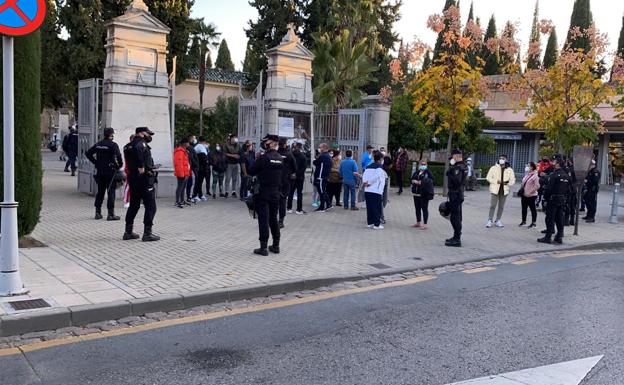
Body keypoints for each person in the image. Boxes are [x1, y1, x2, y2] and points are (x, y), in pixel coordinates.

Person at [249, 134, 283, 256]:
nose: (265, 143)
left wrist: (257, 158)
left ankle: (263, 247)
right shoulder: (280, 157)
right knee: (273, 218)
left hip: (263, 192)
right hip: (275, 192)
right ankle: (276, 245)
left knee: (263, 219)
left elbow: (251, 171)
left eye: (266, 141)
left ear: (273, 142)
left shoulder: (263, 158)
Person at [123, 127, 159, 242]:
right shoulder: (140, 144)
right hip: (144, 179)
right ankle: (147, 233)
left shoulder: (128, 145)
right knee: (151, 206)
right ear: (141, 133)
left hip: (133, 178)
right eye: (148, 134)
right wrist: (142, 166)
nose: (150, 136)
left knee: (134, 204)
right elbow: (138, 151)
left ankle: (128, 232)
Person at [85, 127, 123, 221]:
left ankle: (97, 212)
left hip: (100, 171)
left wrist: (96, 162)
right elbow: (118, 157)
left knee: (100, 192)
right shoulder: (113, 145)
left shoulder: (98, 144)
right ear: (111, 135)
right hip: (110, 172)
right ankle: (110, 214)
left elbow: (88, 153)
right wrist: (119, 166)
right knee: (111, 192)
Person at [538, 155, 570, 244]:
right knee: (559, 218)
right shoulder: (566, 175)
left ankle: (548, 237)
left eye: (554, 162)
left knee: (550, 218)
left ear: (558, 164)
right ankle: (559, 236)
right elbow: (568, 189)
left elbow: (549, 188)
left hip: (553, 199)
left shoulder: (554, 175)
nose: (553, 163)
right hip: (562, 199)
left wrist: (545, 198)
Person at [485, 154, 516, 228]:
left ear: (506, 160)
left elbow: (513, 180)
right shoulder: (493, 168)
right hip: (495, 189)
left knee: (501, 206)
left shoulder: (509, 169)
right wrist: (496, 181)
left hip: (504, 190)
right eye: (500, 158)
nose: (501, 159)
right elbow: (488, 178)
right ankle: (490, 220)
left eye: (503, 158)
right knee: (492, 205)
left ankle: (498, 220)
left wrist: (507, 183)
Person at [445, 149, 466, 247]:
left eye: (453, 157)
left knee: (455, 217)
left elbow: (457, 182)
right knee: (454, 217)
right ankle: (455, 237)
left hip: (456, 195)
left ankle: (457, 239)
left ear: (457, 156)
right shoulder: (458, 166)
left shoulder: (459, 167)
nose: (451, 159)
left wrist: (449, 174)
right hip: (455, 194)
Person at [362, 151, 387, 230]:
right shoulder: (379, 167)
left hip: (367, 190)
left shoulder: (368, 166)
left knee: (369, 207)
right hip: (376, 190)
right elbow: (377, 176)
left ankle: (370, 223)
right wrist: (369, 183)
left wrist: (365, 183)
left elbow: (364, 176)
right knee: (376, 207)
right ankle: (377, 224)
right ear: (380, 159)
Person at [278, 138, 297, 228]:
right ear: (285, 144)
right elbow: (294, 168)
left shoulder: (275, 153)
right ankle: (281, 221)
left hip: (274, 181)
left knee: (273, 200)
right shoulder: (289, 154)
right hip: (285, 180)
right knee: (282, 200)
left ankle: (271, 219)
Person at [411, 160, 434, 230]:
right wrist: (413, 181)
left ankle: (425, 224)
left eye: (424, 164)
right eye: (421, 164)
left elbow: (432, 180)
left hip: (424, 194)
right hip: (416, 193)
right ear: (419, 165)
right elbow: (412, 179)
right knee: (417, 208)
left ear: (426, 165)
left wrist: (422, 182)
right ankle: (418, 222)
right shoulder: (416, 172)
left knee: (424, 208)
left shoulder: (428, 172)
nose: (423, 165)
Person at [519, 162, 540, 228]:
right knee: (524, 208)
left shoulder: (535, 175)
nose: (527, 167)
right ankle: (524, 221)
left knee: (532, 209)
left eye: (528, 166)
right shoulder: (527, 174)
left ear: (532, 167)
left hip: (531, 195)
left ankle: (534, 223)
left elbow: (537, 186)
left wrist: (530, 192)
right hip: (524, 194)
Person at [288, 142, 308, 214]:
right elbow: (304, 168)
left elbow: (288, 166)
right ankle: (299, 209)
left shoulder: (290, 155)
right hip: (300, 177)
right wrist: (297, 174)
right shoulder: (303, 157)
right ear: (301, 148)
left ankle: (289, 208)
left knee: (290, 193)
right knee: (299, 193)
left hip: (291, 177)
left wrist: (292, 173)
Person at [313, 143, 333, 212]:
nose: (319, 149)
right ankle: (328, 204)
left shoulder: (323, 156)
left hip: (321, 177)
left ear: (324, 148)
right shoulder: (328, 156)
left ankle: (322, 207)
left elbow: (315, 162)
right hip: (325, 177)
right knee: (323, 191)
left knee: (321, 192)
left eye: (320, 147)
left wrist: (316, 158)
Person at [174, 138, 192, 208]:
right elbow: (178, 164)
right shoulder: (179, 151)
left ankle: (182, 200)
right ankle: (177, 201)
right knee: (180, 187)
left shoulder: (184, 151)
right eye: (188, 142)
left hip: (185, 173)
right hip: (182, 173)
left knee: (183, 187)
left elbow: (186, 163)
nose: (189, 144)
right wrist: (181, 174)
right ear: (184, 143)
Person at [193, 136, 210, 201]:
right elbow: (204, 159)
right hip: (201, 167)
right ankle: (195, 195)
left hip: (199, 167)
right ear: (204, 141)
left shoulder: (198, 146)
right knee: (199, 182)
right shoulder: (201, 147)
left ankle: (200, 194)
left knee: (199, 182)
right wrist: (206, 167)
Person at [224, 134, 241, 198]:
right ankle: (226, 191)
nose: (235, 139)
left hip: (236, 164)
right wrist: (233, 155)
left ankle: (233, 191)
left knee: (235, 178)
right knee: (228, 178)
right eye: (234, 138)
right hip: (229, 164)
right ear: (231, 139)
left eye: (236, 138)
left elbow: (240, 152)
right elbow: (224, 153)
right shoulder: (226, 145)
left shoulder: (238, 145)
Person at [380, 147, 392, 224]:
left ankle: (384, 202)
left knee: (383, 197)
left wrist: (387, 168)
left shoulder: (387, 158)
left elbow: (391, 164)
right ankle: (381, 217)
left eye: (384, 151)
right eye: (381, 151)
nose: (383, 152)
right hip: (379, 181)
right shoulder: (378, 159)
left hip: (386, 178)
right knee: (380, 199)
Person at [186, 135, 199, 203]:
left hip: (193, 168)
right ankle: (190, 196)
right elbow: (192, 158)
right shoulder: (189, 148)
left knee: (191, 183)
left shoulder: (191, 147)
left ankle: (190, 196)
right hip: (192, 168)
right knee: (191, 183)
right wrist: (195, 165)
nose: (194, 139)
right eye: (193, 138)